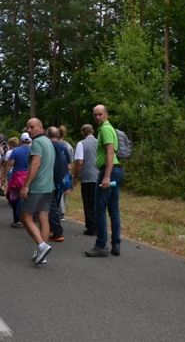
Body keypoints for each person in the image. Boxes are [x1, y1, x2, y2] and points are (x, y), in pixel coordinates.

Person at [85, 105, 124, 258]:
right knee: (113, 208)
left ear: (106, 115)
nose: (97, 117)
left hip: (109, 171)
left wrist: (106, 176)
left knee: (99, 209)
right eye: (95, 115)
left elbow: (109, 152)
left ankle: (101, 245)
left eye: (100, 114)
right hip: (115, 170)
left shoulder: (106, 129)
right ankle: (116, 244)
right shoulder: (107, 128)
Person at [19, 118, 55, 265]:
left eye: (32, 127)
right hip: (48, 186)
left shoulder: (37, 142)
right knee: (43, 217)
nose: (28, 130)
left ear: (41, 127)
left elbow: (35, 164)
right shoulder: (48, 142)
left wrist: (26, 185)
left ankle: (41, 245)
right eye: (27, 127)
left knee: (25, 216)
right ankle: (42, 253)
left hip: (37, 186)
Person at [73, 124, 99, 236]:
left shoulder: (81, 144)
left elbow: (79, 162)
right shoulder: (99, 142)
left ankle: (91, 227)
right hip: (99, 176)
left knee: (88, 203)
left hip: (87, 177)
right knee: (97, 202)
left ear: (83, 132)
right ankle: (99, 225)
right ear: (92, 131)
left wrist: (75, 176)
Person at [47, 126, 72, 242]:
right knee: (55, 205)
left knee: (50, 206)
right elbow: (69, 166)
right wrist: (69, 182)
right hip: (61, 181)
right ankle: (53, 229)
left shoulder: (47, 146)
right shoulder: (64, 147)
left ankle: (56, 231)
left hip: (49, 180)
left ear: (48, 135)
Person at [7, 133, 31, 227]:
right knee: (27, 198)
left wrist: (4, 176)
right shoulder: (33, 150)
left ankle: (16, 219)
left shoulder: (16, 150)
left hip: (17, 177)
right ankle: (27, 219)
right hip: (29, 176)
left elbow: (11, 164)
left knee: (15, 198)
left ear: (21, 141)